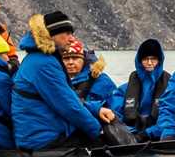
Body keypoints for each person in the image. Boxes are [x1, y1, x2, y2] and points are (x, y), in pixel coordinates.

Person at [11, 11, 116, 149]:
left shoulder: (40, 59)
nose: (72, 39)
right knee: (102, 143)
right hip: (43, 139)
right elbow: (68, 106)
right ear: (52, 35)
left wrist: (96, 110)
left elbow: (69, 98)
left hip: (42, 132)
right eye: (67, 33)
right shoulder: (44, 64)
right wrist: (99, 132)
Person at [116, 38, 171, 139]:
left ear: (159, 61)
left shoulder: (170, 85)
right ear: (140, 61)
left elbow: (170, 115)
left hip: (157, 130)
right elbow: (116, 111)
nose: (149, 63)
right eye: (145, 59)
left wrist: (147, 133)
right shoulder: (126, 88)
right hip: (132, 130)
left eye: (153, 59)